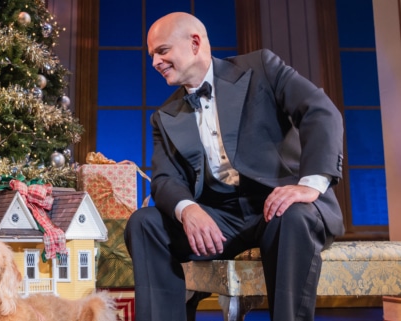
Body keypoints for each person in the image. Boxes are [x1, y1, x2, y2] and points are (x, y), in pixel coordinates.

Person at [124, 12, 344, 321]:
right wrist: (188, 209)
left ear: (195, 43)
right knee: (145, 223)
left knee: (292, 214)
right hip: (220, 220)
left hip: (278, 205)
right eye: (152, 56)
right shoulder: (165, 115)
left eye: (162, 51)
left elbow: (320, 112)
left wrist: (310, 184)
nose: (155, 63)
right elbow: (163, 179)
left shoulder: (262, 68)